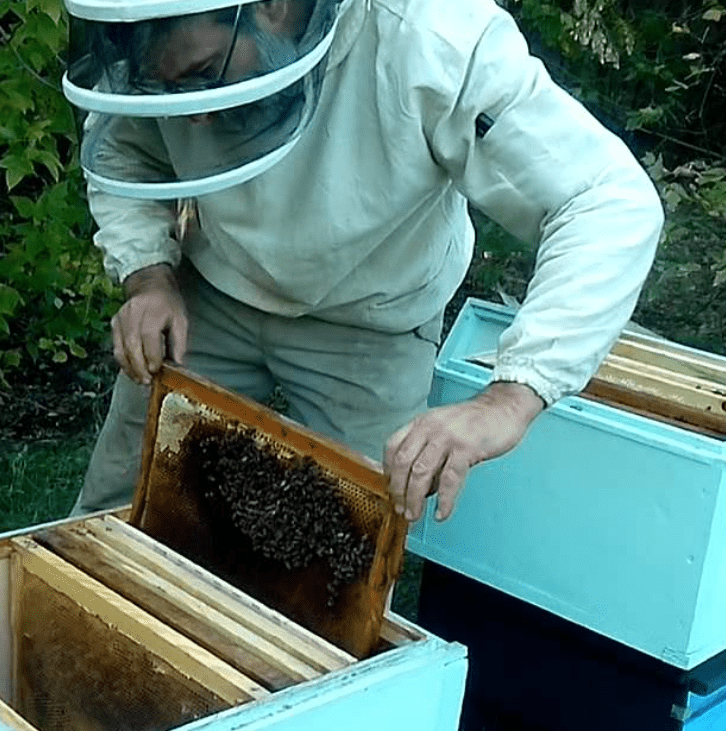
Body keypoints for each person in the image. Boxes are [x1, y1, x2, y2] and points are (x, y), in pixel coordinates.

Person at [62, 0, 664, 525]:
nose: (192, 115)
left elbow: (604, 199)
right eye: (168, 88)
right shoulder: (161, 37)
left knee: (344, 553)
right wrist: (150, 277)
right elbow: (124, 149)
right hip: (211, 299)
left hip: (373, 318)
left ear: (271, 6)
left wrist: (508, 400)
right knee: (118, 511)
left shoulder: (432, 38)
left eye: (200, 75)